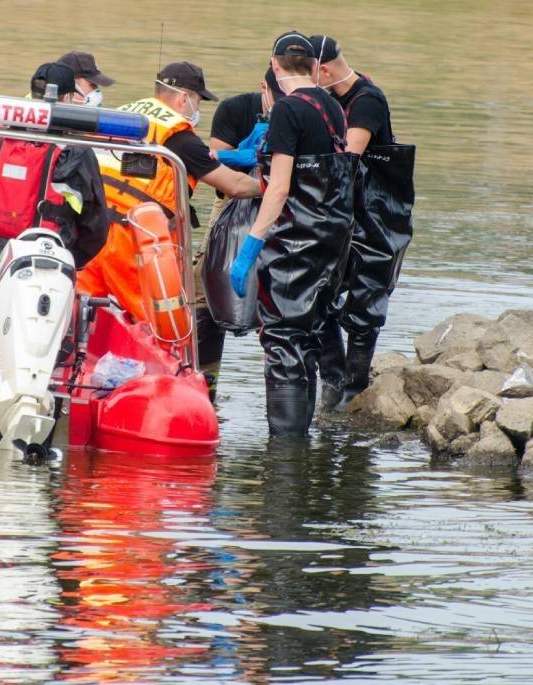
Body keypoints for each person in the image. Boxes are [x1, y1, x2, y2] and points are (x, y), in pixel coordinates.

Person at [228, 32, 356, 438]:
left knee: (283, 340)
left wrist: (251, 245)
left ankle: (285, 454)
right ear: (313, 66)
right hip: (334, 237)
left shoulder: (286, 109)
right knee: (311, 333)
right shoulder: (331, 106)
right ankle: (305, 438)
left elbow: (279, 186)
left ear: (275, 64)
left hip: (296, 242)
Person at [78, 61, 261, 330]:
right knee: (157, 327)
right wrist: (271, 185)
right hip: (134, 243)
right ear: (184, 98)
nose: (197, 109)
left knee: (83, 317)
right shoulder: (179, 137)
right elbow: (233, 185)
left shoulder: (124, 116)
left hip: (90, 236)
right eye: (198, 101)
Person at [0, 62, 110, 344]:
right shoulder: (75, 153)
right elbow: (96, 226)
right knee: (38, 338)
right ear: (66, 99)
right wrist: (71, 259)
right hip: (47, 256)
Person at [308, 35, 407, 412]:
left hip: (377, 215)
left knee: (365, 301)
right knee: (320, 293)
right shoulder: (328, 98)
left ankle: (355, 386)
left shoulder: (367, 101)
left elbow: (349, 157)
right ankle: (331, 378)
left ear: (325, 70)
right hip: (341, 211)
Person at [196, 68, 283, 401]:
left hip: (284, 210)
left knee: (276, 300)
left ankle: (276, 390)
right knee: (204, 289)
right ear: (264, 87)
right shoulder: (235, 110)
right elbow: (221, 177)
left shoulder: (302, 110)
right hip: (234, 206)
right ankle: (206, 385)